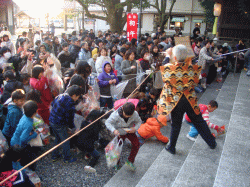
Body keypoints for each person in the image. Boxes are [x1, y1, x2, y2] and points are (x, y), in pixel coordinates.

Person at [158, 45, 217, 154]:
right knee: (199, 121)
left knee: (176, 124)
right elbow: (195, 81)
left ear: (174, 58)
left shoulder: (169, 68)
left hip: (176, 100)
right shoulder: (193, 69)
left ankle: (172, 147)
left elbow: (163, 66)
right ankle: (212, 142)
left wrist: (167, 55)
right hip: (190, 99)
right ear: (186, 58)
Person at [50, 85, 82, 163]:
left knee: (57, 138)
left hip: (52, 120)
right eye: (77, 97)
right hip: (60, 124)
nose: (77, 99)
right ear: (74, 95)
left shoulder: (60, 96)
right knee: (65, 140)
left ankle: (54, 155)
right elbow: (70, 119)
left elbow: (52, 104)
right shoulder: (70, 104)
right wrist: (74, 129)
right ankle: (67, 158)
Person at [105, 102, 142, 170]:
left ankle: (130, 161)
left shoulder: (135, 114)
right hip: (119, 132)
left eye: (129, 116)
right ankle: (116, 162)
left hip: (130, 131)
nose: (127, 117)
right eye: (126, 115)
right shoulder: (115, 115)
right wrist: (114, 130)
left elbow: (139, 121)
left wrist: (135, 128)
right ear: (122, 109)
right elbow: (107, 122)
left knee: (136, 144)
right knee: (117, 148)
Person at [10, 100, 39, 170]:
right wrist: (35, 134)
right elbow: (23, 139)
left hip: (14, 140)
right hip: (18, 145)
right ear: (35, 112)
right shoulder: (29, 124)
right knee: (29, 158)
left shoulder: (24, 116)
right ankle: (30, 171)